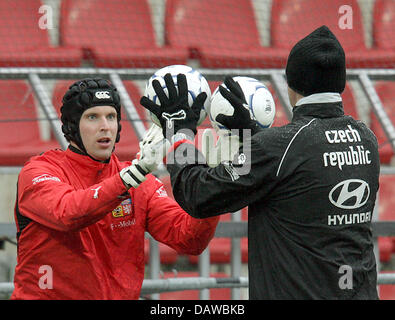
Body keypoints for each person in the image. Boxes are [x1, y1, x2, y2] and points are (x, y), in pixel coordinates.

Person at [140, 26, 380, 299]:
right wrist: (255, 137)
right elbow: (302, 174)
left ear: (290, 82)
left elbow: (199, 193)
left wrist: (179, 133)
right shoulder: (366, 139)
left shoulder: (278, 147)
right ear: (342, 82)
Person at [11, 78, 219, 300]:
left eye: (111, 117)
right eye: (93, 117)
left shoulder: (138, 181)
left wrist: (215, 188)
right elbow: (68, 213)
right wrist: (132, 176)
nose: (105, 126)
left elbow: (189, 238)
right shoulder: (39, 170)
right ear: (72, 126)